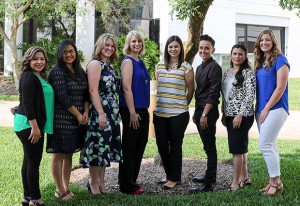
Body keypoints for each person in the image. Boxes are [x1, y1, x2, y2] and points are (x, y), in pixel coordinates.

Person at [80, 33, 123, 195]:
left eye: (112, 46)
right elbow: (93, 90)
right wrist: (100, 113)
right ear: (100, 46)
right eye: (107, 45)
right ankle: (92, 182)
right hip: (100, 112)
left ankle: (101, 181)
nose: (110, 48)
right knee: (97, 147)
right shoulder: (95, 64)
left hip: (111, 113)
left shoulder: (110, 65)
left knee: (105, 147)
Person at [47, 40, 89, 199]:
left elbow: (86, 94)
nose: (69, 54)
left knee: (69, 153)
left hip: (77, 121)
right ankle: (59, 189)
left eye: (71, 51)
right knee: (58, 154)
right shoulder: (57, 72)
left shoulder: (80, 71)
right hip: (61, 120)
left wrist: (85, 111)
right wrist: (78, 115)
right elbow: (62, 97)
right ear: (60, 54)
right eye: (65, 52)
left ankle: (66, 186)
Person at [14, 46, 54, 206]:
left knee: (28, 160)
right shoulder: (29, 77)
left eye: (42, 59)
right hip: (29, 125)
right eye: (35, 59)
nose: (39, 61)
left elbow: (27, 98)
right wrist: (35, 127)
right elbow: (28, 104)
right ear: (28, 60)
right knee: (33, 162)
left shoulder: (38, 77)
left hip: (28, 123)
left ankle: (27, 196)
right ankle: (36, 199)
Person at [153, 35, 194, 189]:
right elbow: (159, 87)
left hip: (178, 114)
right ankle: (169, 175)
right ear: (167, 48)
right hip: (160, 114)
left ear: (180, 48)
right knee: (162, 146)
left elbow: (191, 90)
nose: (173, 49)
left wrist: (182, 104)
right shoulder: (159, 66)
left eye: (176, 46)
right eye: (170, 46)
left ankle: (174, 178)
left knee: (175, 146)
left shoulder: (186, 67)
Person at [254, 29, 289, 196]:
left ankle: (276, 184)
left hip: (275, 108)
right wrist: (260, 110)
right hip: (261, 110)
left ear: (273, 42)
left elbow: (280, 88)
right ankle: (273, 182)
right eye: (261, 40)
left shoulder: (280, 60)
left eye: (267, 40)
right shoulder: (261, 62)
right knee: (271, 145)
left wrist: (266, 109)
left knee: (265, 145)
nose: (264, 43)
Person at [189, 34, 222, 193]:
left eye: (207, 48)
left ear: (213, 50)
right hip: (200, 110)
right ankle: (211, 176)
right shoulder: (200, 67)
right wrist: (197, 112)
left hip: (208, 111)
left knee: (210, 147)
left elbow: (213, 93)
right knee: (207, 145)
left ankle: (208, 183)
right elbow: (199, 92)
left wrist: (204, 114)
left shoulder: (215, 67)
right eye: (201, 48)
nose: (203, 50)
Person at [118, 30, 150, 195]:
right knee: (130, 147)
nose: (136, 44)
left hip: (143, 110)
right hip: (132, 110)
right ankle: (126, 185)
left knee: (140, 144)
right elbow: (126, 88)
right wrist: (132, 112)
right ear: (128, 44)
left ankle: (132, 178)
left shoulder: (140, 61)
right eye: (133, 41)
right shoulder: (128, 62)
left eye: (139, 41)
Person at [221, 44, 256, 191]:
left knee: (236, 149)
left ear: (245, 56)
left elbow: (250, 96)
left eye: (240, 54)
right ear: (231, 55)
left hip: (242, 115)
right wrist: (224, 112)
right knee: (241, 147)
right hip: (229, 114)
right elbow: (225, 95)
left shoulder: (248, 73)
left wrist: (240, 114)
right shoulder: (227, 72)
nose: (237, 56)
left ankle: (235, 182)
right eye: (234, 54)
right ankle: (245, 177)